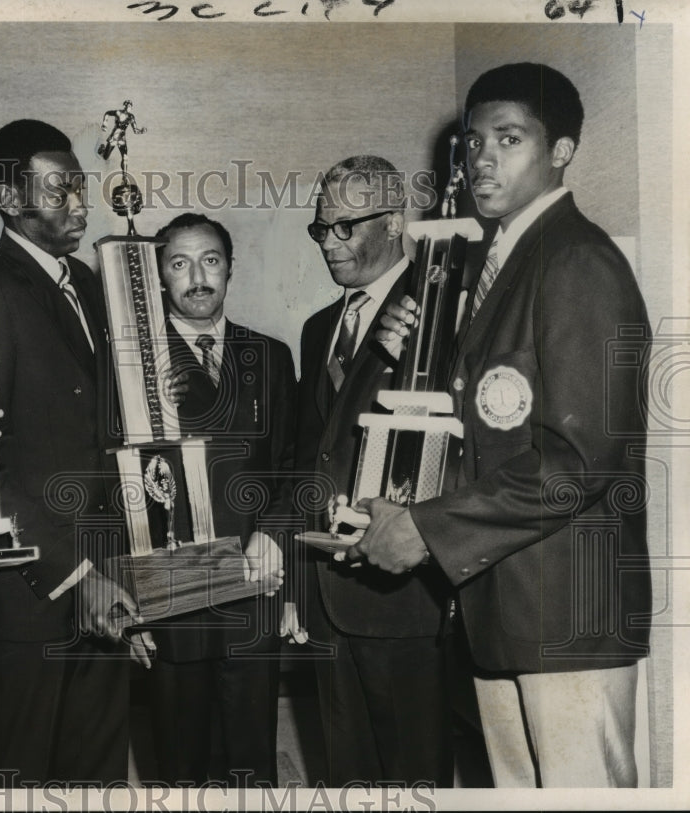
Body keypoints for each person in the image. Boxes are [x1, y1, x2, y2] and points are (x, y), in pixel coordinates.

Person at [366, 62, 652, 787]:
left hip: (566, 616)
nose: (481, 157)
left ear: (560, 151)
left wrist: (427, 527)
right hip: (508, 609)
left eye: (510, 137)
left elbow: (579, 460)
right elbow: (492, 430)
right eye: (473, 140)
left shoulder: (576, 260)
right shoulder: (500, 262)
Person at [0, 119, 141, 787]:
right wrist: (76, 574)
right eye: (58, 191)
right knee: (15, 776)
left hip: (104, 581)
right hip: (28, 597)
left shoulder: (93, 283)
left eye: (79, 186)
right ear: (6, 196)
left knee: (94, 773)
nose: (79, 204)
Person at [291, 156, 454, 786]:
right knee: (344, 777)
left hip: (404, 597)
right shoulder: (318, 328)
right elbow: (316, 454)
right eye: (320, 229)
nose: (329, 245)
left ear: (394, 221)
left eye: (345, 228)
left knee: (413, 777)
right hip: (328, 594)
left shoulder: (442, 308)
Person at [129, 213, 296, 786]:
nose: (197, 277)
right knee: (181, 765)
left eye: (210, 261)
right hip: (174, 586)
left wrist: (274, 533)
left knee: (252, 759)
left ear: (229, 268)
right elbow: (118, 487)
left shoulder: (271, 356)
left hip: (254, 579)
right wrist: (132, 598)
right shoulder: (136, 363)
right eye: (179, 263)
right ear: (158, 277)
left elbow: (291, 465)